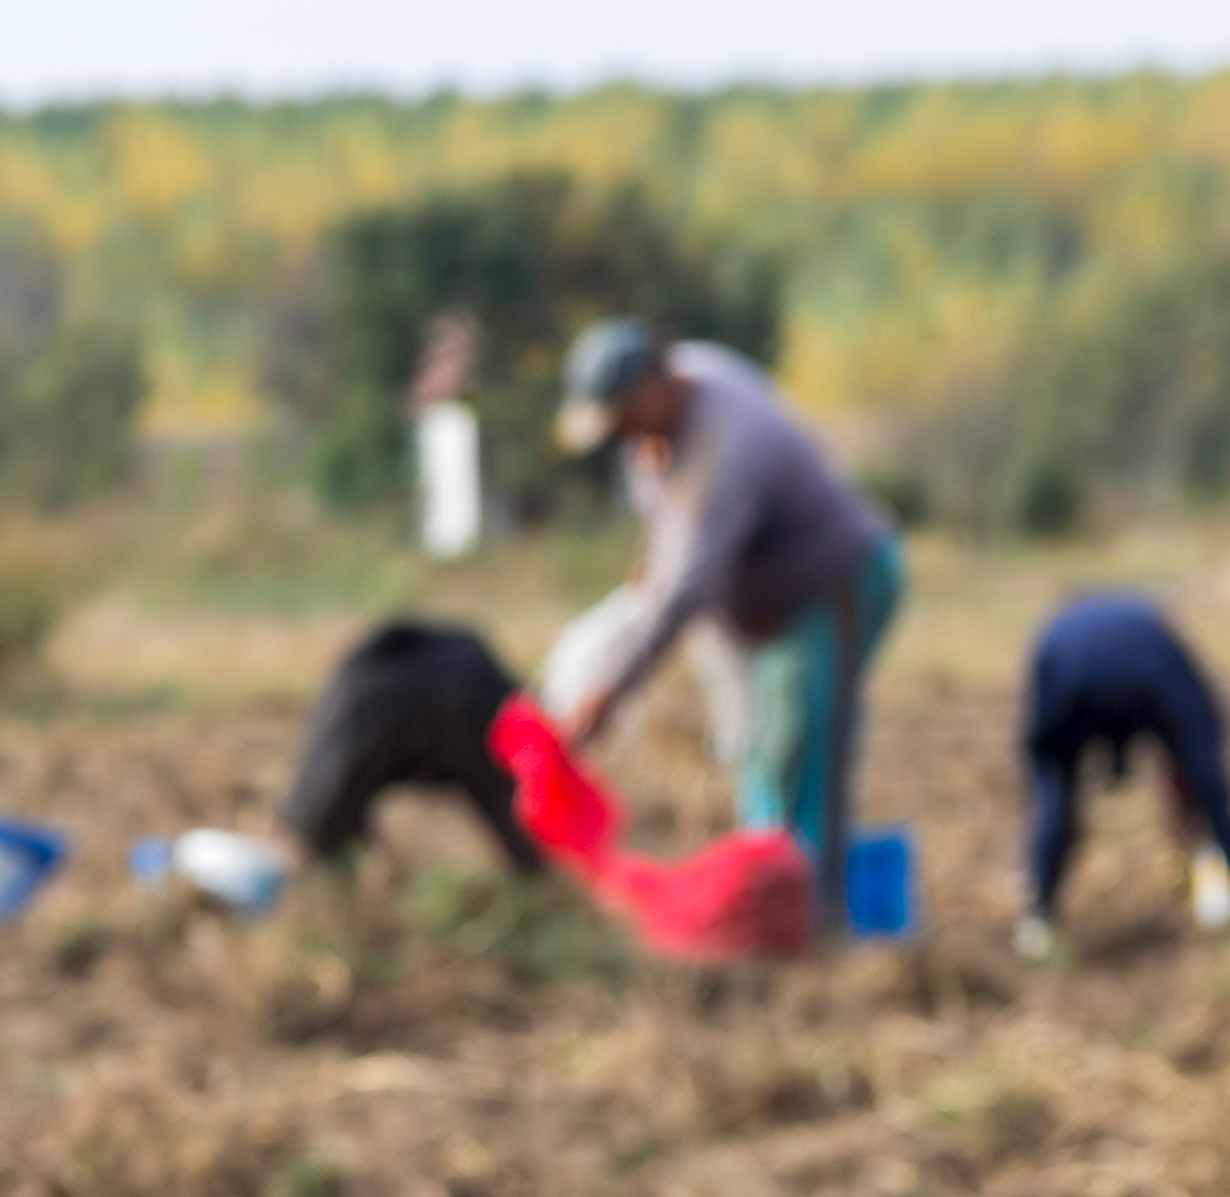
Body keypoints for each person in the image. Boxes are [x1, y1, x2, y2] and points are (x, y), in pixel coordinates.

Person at [552, 320, 905, 933]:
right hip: (773, 609)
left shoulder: (721, 445)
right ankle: (767, 892)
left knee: (804, 747)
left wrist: (610, 693)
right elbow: (677, 534)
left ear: (653, 387)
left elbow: (689, 588)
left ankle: (815, 920)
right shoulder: (686, 381)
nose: (620, 436)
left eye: (621, 417)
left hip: (837, 585)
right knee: (762, 751)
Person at [1016, 592, 1230, 961]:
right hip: (1142, 676)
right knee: (1207, 782)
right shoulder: (1155, 630)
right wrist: (1197, 804)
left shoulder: (1060, 629)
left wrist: (1056, 806)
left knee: (1054, 793)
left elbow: (1039, 745)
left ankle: (1038, 919)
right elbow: (1204, 738)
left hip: (1068, 677)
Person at [279, 619, 542, 874]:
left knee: (522, 816)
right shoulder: (350, 713)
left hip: (459, 699)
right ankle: (538, 876)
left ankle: (538, 875)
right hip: (458, 689)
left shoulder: (348, 710)